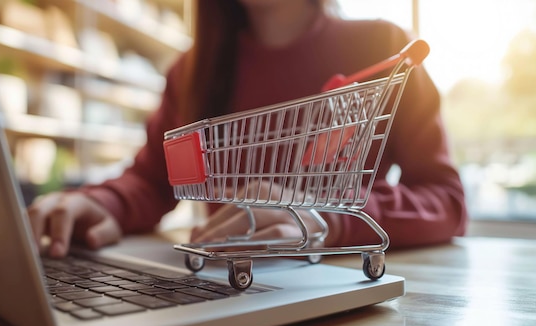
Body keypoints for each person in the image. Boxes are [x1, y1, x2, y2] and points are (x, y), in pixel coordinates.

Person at [27, 0, 468, 258]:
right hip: (220, 288)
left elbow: (447, 202)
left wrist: (332, 216)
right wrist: (106, 202)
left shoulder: (386, 50)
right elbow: (153, 181)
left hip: (343, 295)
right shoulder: (191, 71)